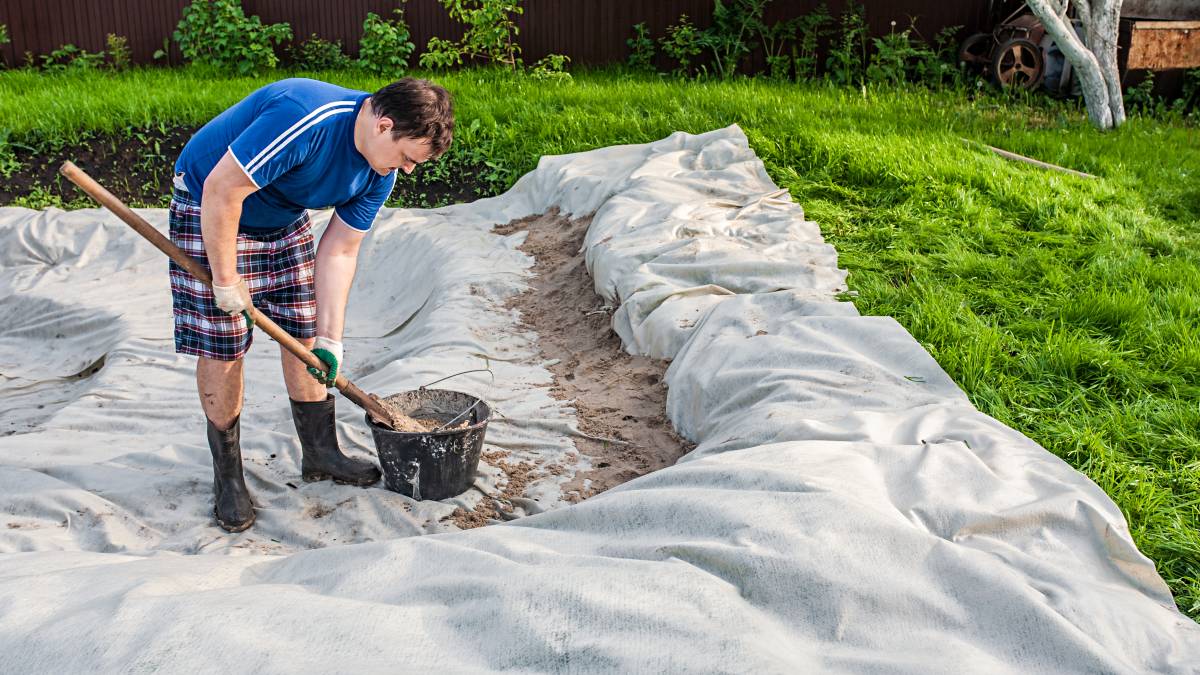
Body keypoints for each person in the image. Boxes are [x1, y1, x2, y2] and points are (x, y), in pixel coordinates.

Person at [170, 77, 454, 532]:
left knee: (302, 331)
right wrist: (226, 281)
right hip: (212, 205)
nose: (407, 170)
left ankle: (321, 453)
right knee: (225, 348)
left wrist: (330, 340)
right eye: (406, 157)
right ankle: (228, 477)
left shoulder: (378, 171)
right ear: (383, 126)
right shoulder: (307, 118)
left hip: (282, 217)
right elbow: (223, 191)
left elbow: (340, 250)